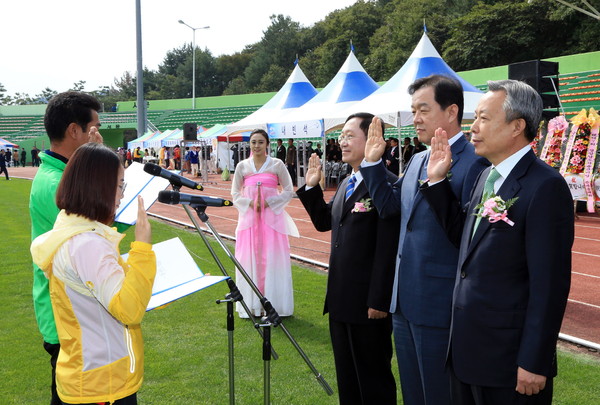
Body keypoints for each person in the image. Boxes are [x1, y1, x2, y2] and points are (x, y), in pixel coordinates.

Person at [421, 80, 573, 405]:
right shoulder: (483, 176)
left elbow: (550, 286)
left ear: (517, 126)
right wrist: (436, 182)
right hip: (465, 351)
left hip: (508, 361)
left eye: (484, 118)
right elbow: (466, 240)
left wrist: (534, 360)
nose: (473, 128)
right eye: (475, 118)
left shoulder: (545, 187)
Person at [361, 75, 488, 405]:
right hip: (404, 301)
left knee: (440, 395)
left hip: (440, 303)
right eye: (412, 110)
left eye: (423, 109)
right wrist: (373, 163)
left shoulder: (476, 163)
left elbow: (468, 236)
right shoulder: (417, 159)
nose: (415, 118)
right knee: (414, 395)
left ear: (451, 112)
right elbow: (391, 211)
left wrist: (439, 182)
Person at [31, 143, 156, 405]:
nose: (122, 195)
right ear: (99, 186)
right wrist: (142, 247)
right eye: (120, 185)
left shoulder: (71, 227)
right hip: (101, 385)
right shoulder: (87, 243)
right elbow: (129, 310)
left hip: (92, 377)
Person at [297, 113, 398, 405]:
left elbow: (387, 246)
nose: (343, 141)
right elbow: (325, 222)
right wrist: (312, 188)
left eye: (351, 135)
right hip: (341, 300)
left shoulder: (387, 185)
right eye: (342, 136)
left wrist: (379, 300)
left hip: (369, 304)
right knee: (348, 381)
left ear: (373, 140)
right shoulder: (346, 182)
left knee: (373, 381)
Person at [29, 91, 103, 405]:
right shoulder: (55, 182)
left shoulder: (63, 176)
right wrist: (101, 164)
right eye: (93, 129)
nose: (97, 135)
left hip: (77, 311)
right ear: (74, 131)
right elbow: (99, 228)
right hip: (67, 317)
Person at [231, 129, 299, 318]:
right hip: (249, 221)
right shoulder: (242, 166)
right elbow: (235, 193)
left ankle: (275, 304)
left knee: (273, 259)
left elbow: (288, 189)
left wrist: (270, 202)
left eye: (260, 142)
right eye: (253, 142)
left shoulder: (277, 164)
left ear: (267, 144)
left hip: (272, 220)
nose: (256, 146)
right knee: (248, 258)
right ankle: (252, 305)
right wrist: (250, 203)